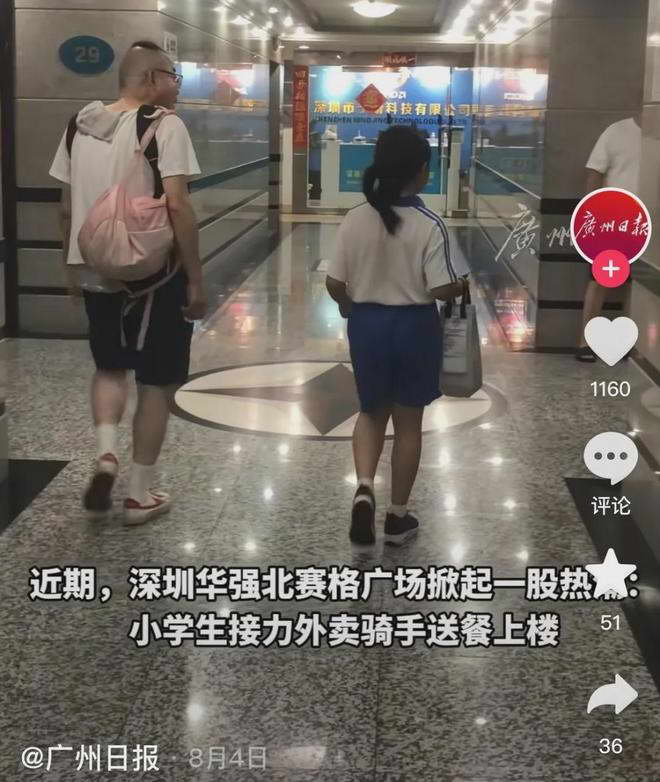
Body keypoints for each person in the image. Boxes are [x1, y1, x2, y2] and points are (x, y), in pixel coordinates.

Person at [49, 41, 207, 525]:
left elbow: (66, 208)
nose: (177, 84)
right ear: (152, 78)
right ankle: (139, 494)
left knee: (109, 367)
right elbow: (178, 205)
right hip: (154, 273)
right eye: (174, 75)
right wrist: (196, 280)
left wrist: (71, 268)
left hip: (94, 267)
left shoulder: (79, 124)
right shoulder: (165, 124)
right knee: (156, 381)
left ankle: (105, 455)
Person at [326, 125, 468, 547]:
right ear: (422, 170)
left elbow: (334, 282)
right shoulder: (430, 224)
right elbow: (440, 288)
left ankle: (364, 488)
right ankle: (397, 517)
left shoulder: (355, 218)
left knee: (371, 412)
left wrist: (348, 306)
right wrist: (460, 286)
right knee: (408, 423)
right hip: (414, 329)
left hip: (367, 325)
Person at [576, 114, 641, 361]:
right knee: (601, 279)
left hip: (651, 222)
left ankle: (631, 344)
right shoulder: (617, 131)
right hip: (614, 219)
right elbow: (594, 173)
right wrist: (593, 213)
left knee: (639, 285)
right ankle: (586, 342)